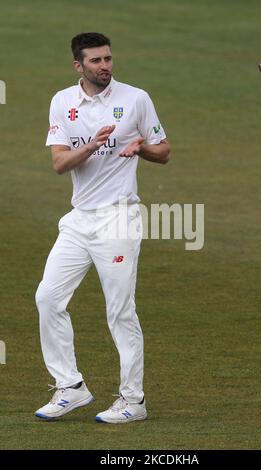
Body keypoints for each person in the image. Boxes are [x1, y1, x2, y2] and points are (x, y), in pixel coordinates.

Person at [35, 32, 170, 424]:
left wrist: (140, 148)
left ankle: (134, 400)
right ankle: (71, 386)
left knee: (120, 312)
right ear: (79, 66)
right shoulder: (63, 101)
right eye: (95, 61)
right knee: (48, 298)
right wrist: (93, 147)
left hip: (118, 218)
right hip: (79, 219)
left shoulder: (135, 99)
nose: (105, 66)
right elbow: (60, 163)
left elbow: (164, 151)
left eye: (108, 58)